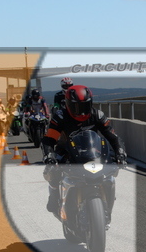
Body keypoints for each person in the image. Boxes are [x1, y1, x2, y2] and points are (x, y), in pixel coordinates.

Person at [41, 84, 127, 214]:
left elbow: (113, 137)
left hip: (93, 151)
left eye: (85, 106)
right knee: (53, 170)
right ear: (68, 104)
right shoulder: (60, 117)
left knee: (111, 169)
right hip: (66, 151)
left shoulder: (98, 115)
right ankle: (54, 196)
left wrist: (120, 152)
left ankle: (107, 200)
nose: (81, 111)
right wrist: (49, 155)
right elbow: (49, 139)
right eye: (77, 107)